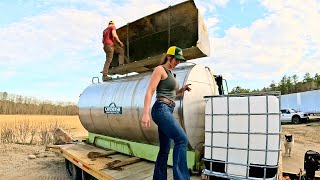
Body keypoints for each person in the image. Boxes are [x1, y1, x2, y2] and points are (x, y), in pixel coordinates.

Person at [142, 46, 192, 180]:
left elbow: (172, 94)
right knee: (182, 139)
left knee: (164, 148)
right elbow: (150, 91)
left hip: (168, 109)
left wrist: (182, 89)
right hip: (160, 109)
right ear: (169, 57)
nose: (178, 62)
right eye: (176, 59)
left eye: (180, 60)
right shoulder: (160, 69)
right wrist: (145, 113)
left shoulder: (171, 74)